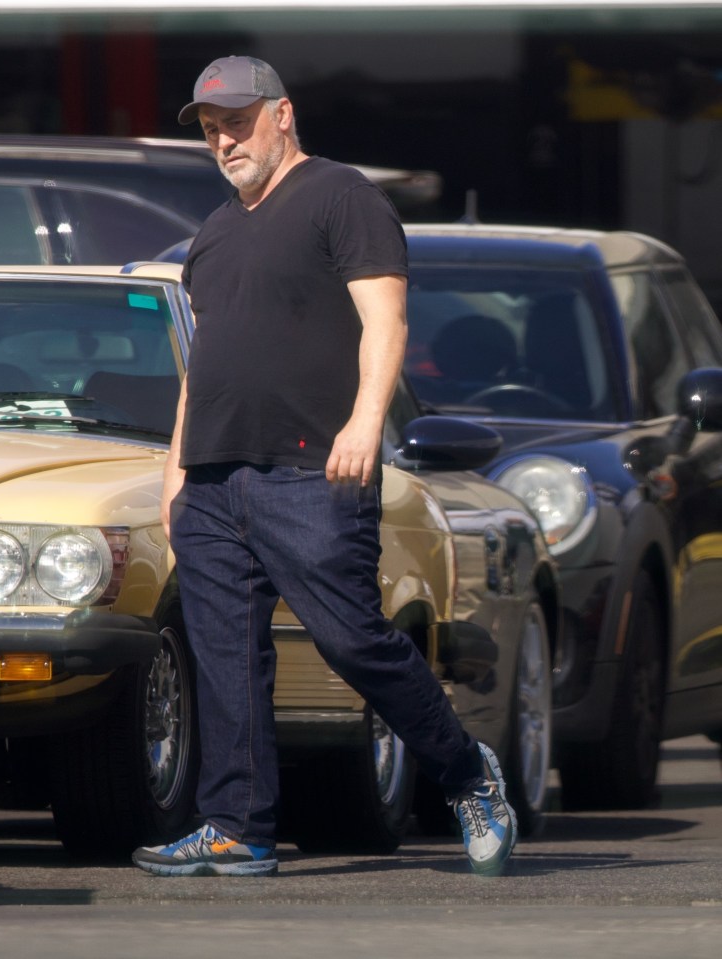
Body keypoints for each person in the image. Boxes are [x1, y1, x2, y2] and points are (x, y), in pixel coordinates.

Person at [132, 55, 517, 879]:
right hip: (211, 478)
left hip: (312, 470)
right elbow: (204, 368)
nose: (223, 140)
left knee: (354, 641)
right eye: (209, 129)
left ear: (283, 115)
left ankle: (464, 770)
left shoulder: (342, 197)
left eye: (236, 121)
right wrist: (176, 467)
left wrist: (365, 423)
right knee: (226, 657)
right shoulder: (216, 232)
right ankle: (238, 825)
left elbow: (387, 318)